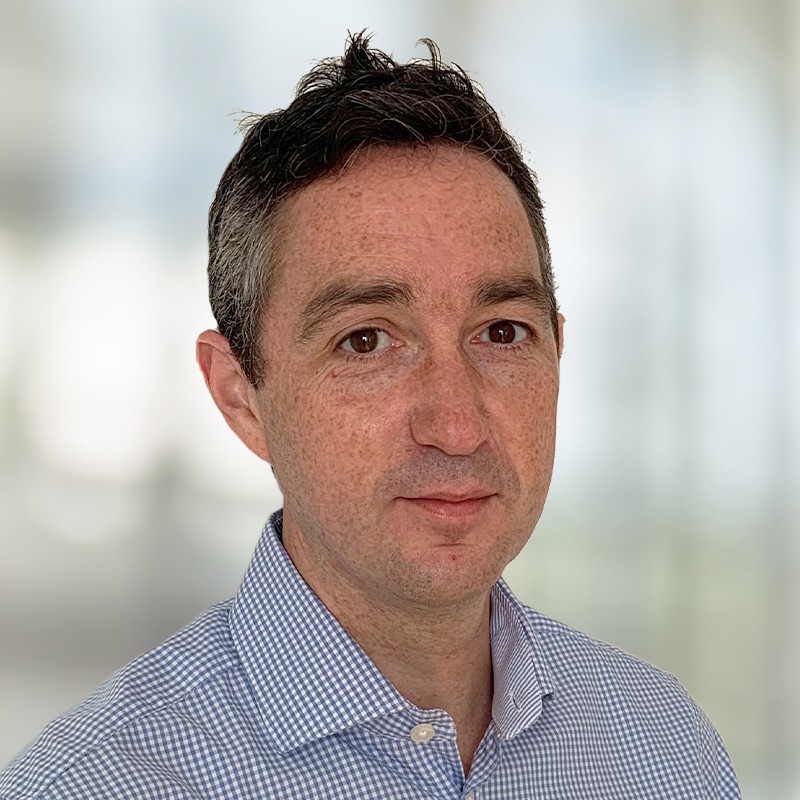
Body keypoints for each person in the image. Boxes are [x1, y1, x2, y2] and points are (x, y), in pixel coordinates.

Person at [0, 33, 740, 800]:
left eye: (501, 332)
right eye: (366, 341)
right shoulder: (97, 784)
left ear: (558, 352)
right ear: (239, 395)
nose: (456, 426)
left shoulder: (665, 750)